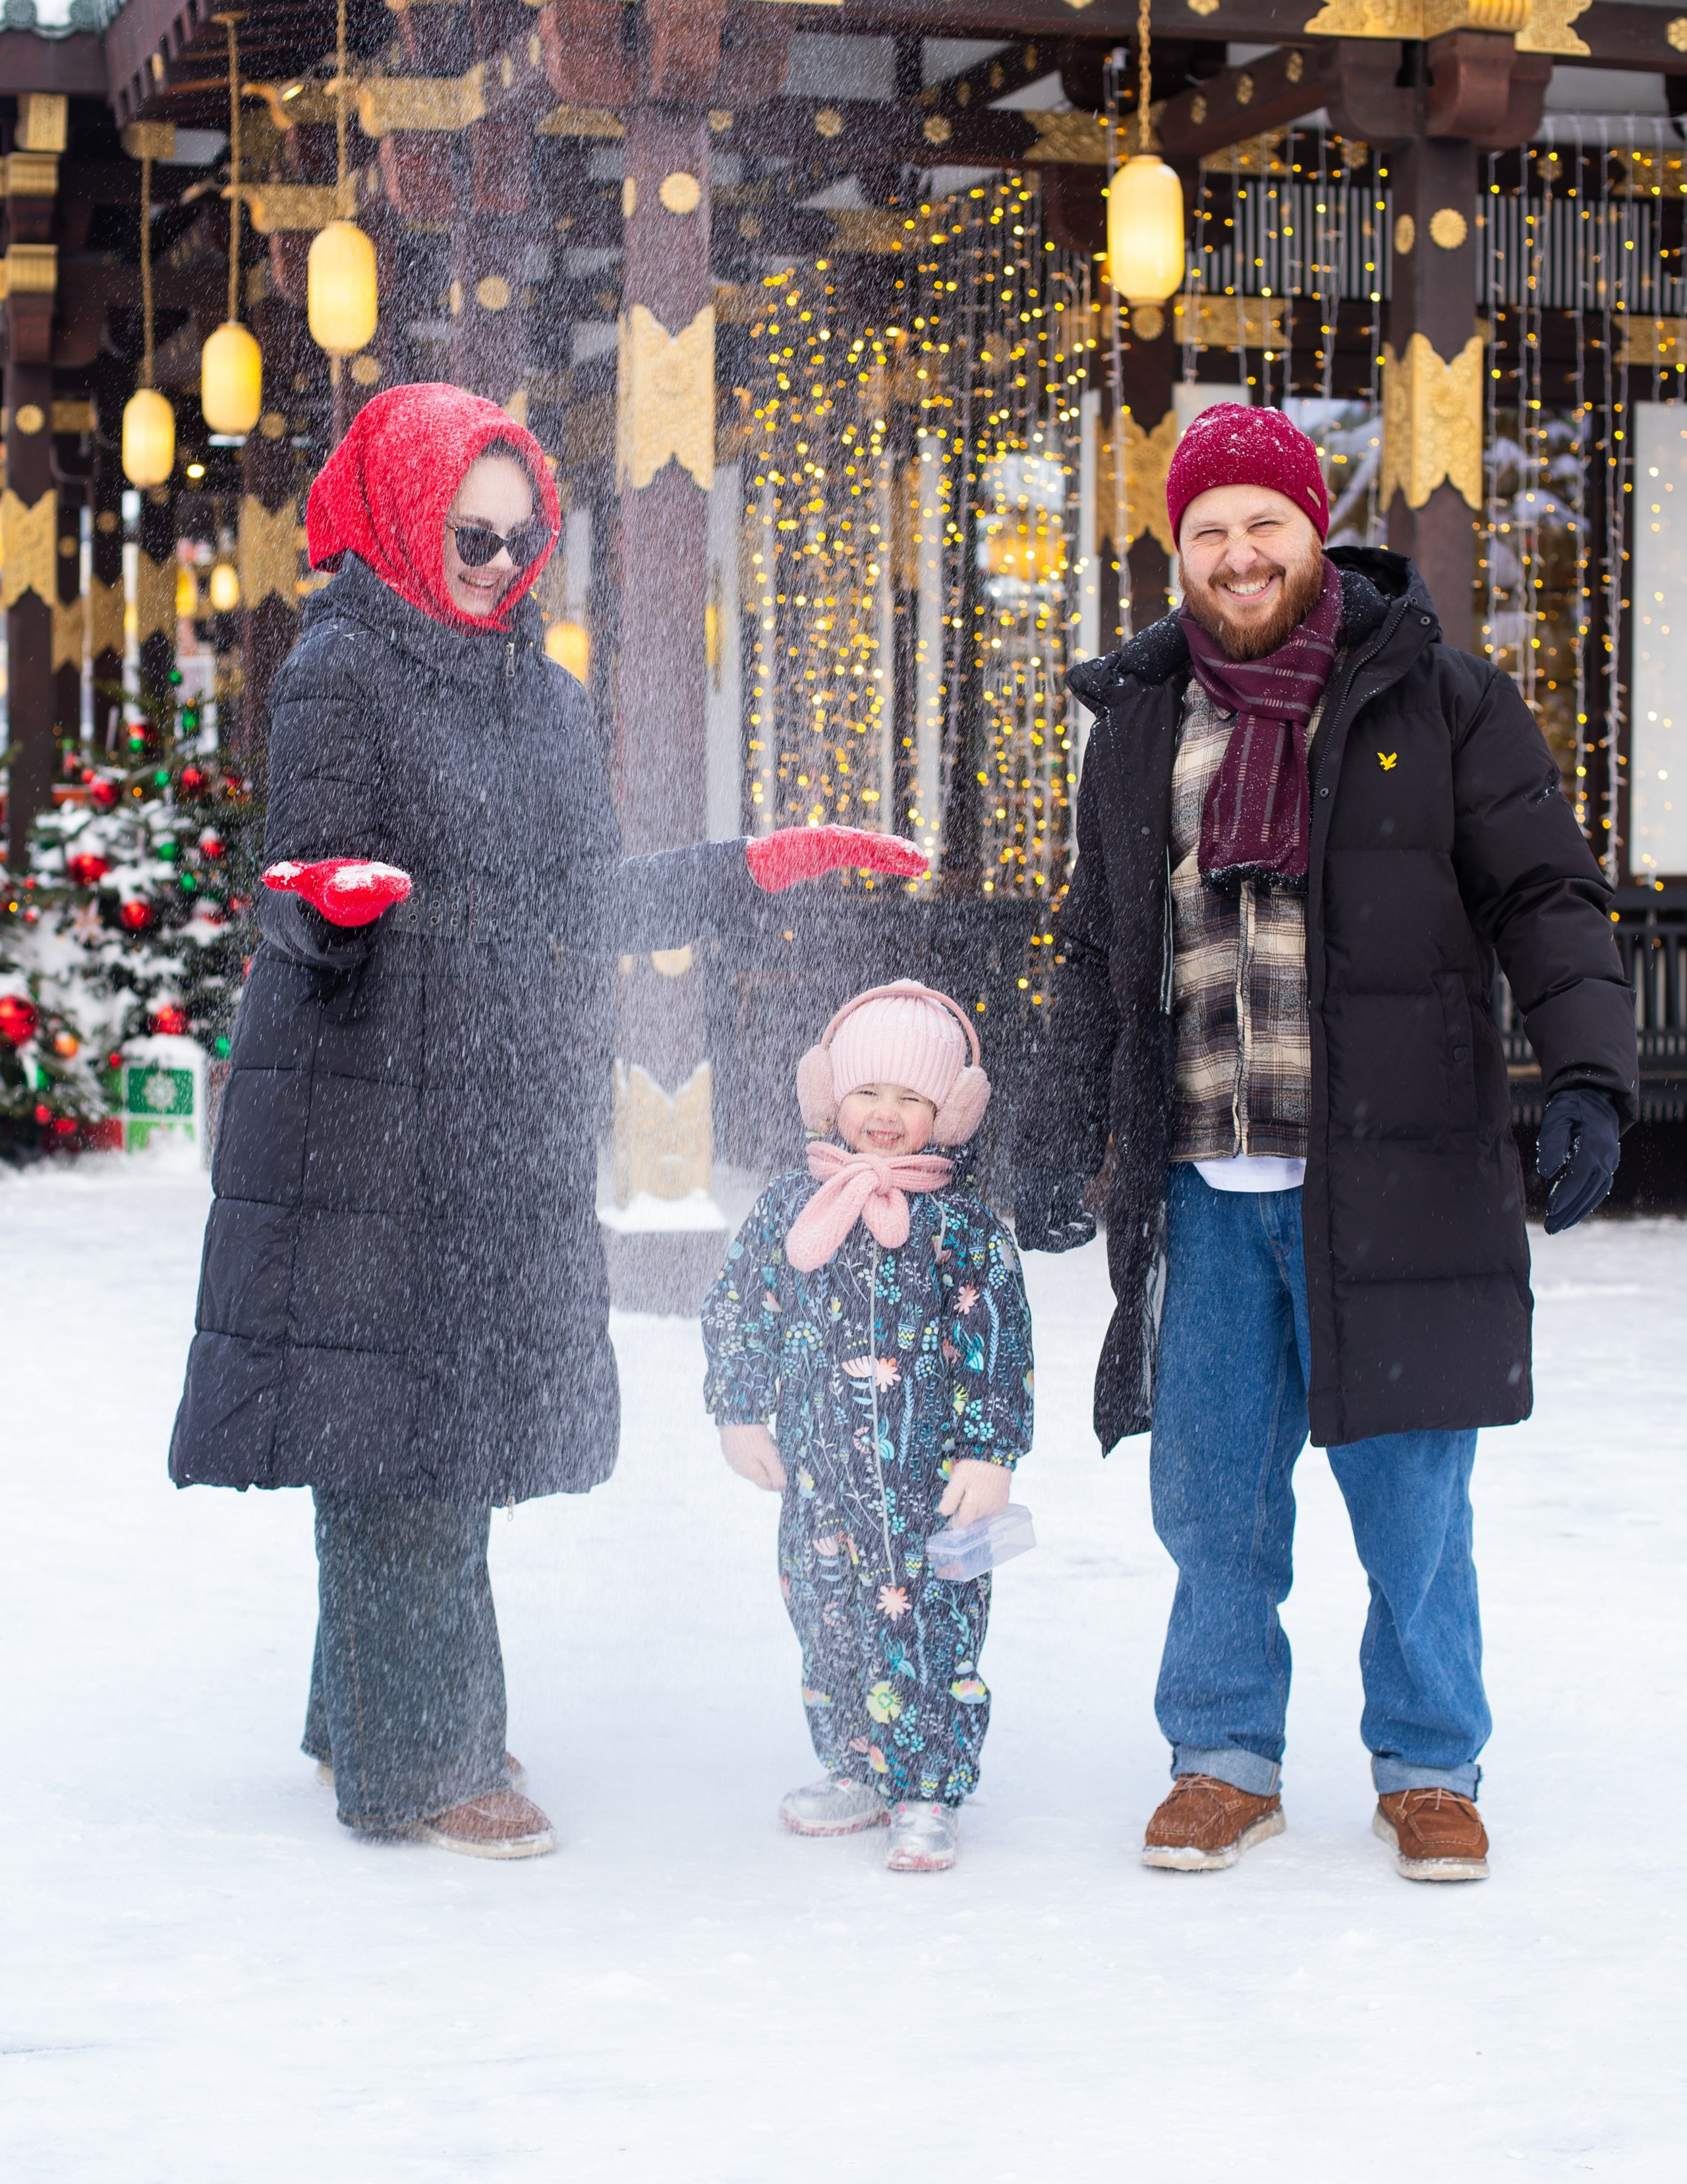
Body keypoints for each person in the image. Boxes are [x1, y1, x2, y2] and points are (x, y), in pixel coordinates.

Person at [168, 384, 924, 1860]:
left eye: (522, 542)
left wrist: (749, 869)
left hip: (500, 1111)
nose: (497, 565)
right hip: (364, 1116)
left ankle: (367, 1707)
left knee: (428, 1420)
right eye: (469, 532)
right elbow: (306, 897)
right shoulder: (339, 671)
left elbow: (580, 906)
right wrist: (324, 907)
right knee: (398, 1434)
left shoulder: (541, 694)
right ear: (398, 515)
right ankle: (419, 1758)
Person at [1015, 404, 1638, 1883]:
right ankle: (1220, 1752)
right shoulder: (1141, 725)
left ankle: (1428, 1761)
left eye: (1261, 525)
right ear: (1181, 555)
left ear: (1314, 533)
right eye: (1208, 533)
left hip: (1396, 1172)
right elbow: (1097, 944)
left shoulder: (1444, 701)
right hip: (1199, 1176)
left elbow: (1544, 896)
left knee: (1412, 1495)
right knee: (1211, 1493)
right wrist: (1050, 1130)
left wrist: (1590, 1078)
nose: (1236, 555)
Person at [701, 981, 1033, 1874]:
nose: (885, 1115)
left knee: (937, 1624)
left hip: (936, 1490)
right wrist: (738, 1409)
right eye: (868, 1093)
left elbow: (997, 1343)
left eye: (912, 1099)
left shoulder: (960, 1230)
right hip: (821, 1482)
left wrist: (991, 1451)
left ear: (949, 1112)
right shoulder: (788, 1210)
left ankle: (928, 1784)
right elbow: (741, 1307)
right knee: (829, 1618)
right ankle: (855, 1762)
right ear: (828, 1095)